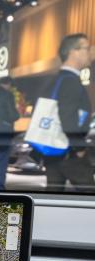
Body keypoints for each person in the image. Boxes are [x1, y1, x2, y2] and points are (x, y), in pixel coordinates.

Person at [42, 33, 94, 191]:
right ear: (73, 52)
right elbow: (68, 116)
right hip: (69, 151)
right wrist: (79, 147)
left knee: (53, 196)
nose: (90, 52)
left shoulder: (56, 80)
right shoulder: (70, 82)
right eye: (87, 48)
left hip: (53, 148)